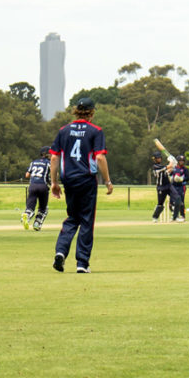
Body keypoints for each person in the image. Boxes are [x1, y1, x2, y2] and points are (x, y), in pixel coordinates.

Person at [50, 97, 113, 274]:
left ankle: (61, 251)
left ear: (75, 111)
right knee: (86, 220)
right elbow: (100, 157)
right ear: (92, 113)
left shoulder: (64, 130)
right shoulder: (96, 131)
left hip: (68, 179)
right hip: (86, 179)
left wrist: (54, 182)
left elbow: (54, 157)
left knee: (72, 217)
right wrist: (107, 181)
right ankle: (82, 263)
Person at [22, 146, 52, 231]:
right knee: (43, 208)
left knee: (30, 207)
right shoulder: (49, 162)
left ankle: (26, 216)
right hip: (43, 186)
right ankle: (37, 224)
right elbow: (54, 174)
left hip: (32, 186)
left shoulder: (33, 162)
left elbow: (27, 175)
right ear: (46, 154)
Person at [151, 151, 182, 223]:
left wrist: (174, 165)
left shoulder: (161, 166)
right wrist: (172, 161)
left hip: (168, 185)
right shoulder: (155, 167)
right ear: (155, 159)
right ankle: (155, 217)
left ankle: (175, 217)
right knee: (160, 205)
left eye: (159, 157)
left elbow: (168, 170)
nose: (159, 159)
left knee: (178, 199)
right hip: (161, 187)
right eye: (157, 158)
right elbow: (168, 167)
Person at [170, 156, 189, 220]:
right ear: (178, 161)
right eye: (180, 161)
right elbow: (170, 175)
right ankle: (175, 215)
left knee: (181, 202)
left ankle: (182, 215)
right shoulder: (174, 168)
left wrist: (181, 179)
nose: (181, 162)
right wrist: (171, 179)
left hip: (181, 186)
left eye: (183, 161)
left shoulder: (185, 169)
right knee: (172, 202)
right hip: (173, 186)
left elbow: (188, 178)